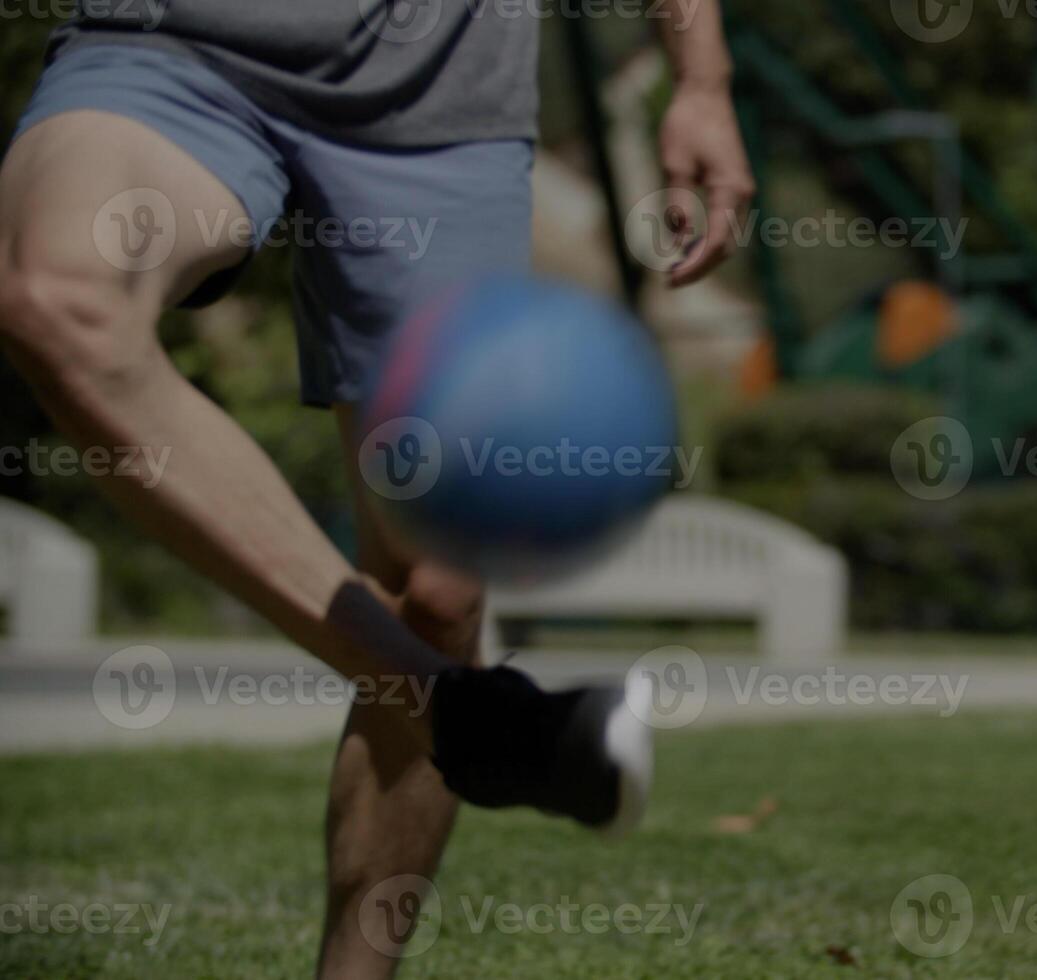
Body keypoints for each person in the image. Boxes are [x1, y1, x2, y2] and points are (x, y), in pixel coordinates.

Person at [0, 2, 755, 975]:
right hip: (176, 43)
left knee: (438, 592)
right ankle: (462, 712)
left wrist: (700, 79)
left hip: (436, 99)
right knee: (56, 294)